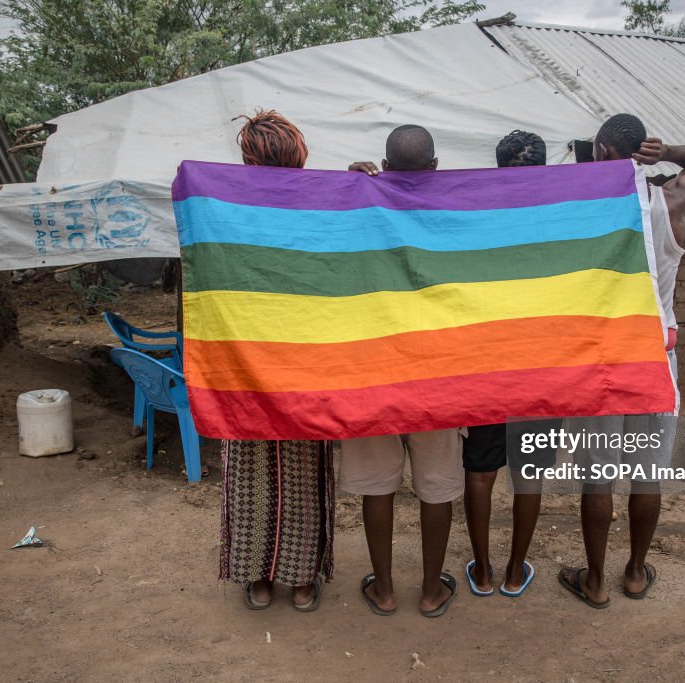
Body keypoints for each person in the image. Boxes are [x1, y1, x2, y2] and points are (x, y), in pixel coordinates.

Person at [559, 113, 685, 608]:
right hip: (655, 358)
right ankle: (635, 572)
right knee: (648, 475)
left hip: (604, 361)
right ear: (644, 152)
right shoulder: (671, 203)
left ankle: (596, 580)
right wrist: (664, 154)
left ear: (602, 153)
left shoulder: (584, 212)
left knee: (597, 477)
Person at [341, 124, 463, 618]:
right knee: (437, 484)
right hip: (440, 373)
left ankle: (385, 590)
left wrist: (348, 183)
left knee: (377, 485)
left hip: (374, 372)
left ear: (384, 167)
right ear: (435, 168)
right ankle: (432, 590)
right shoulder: (454, 211)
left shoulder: (362, 206)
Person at [218, 110, 333, 612]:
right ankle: (301, 578)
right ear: (300, 157)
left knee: (251, 472)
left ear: (246, 158)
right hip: (303, 358)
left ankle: (259, 577)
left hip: (248, 358)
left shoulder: (227, 206)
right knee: (304, 472)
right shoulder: (319, 204)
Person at [462, 130, 559, 598]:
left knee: (480, 473)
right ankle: (516, 571)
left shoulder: (478, 216)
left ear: (498, 167)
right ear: (542, 169)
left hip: (485, 366)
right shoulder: (561, 220)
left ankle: (481, 571)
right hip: (542, 367)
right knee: (530, 475)